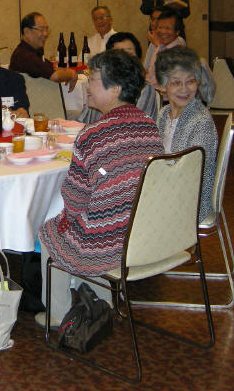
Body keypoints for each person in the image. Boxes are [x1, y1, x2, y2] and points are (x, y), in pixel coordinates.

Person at [36, 50, 163, 327]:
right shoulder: (148, 125)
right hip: (146, 233)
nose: (87, 86)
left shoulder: (93, 134)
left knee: (51, 232)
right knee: (93, 218)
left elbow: (74, 201)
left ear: (115, 89)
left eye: (92, 79)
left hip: (108, 241)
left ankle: (58, 313)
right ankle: (103, 301)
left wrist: (67, 218)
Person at [154, 47, 218, 222]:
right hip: (165, 189)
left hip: (190, 202)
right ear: (162, 86)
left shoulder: (201, 121)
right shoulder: (164, 114)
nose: (184, 89)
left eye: (190, 81)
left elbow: (192, 172)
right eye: (176, 83)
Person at [9, 12, 78, 91]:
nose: (45, 34)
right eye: (41, 29)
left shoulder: (31, 51)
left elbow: (51, 68)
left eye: (46, 29)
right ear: (27, 31)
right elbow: (55, 76)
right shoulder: (24, 55)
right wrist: (72, 74)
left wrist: (67, 72)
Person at [144, 9, 186, 89]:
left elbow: (166, 81)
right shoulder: (161, 45)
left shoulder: (178, 49)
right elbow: (148, 70)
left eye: (168, 28)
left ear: (177, 31)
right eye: (160, 27)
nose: (163, 31)